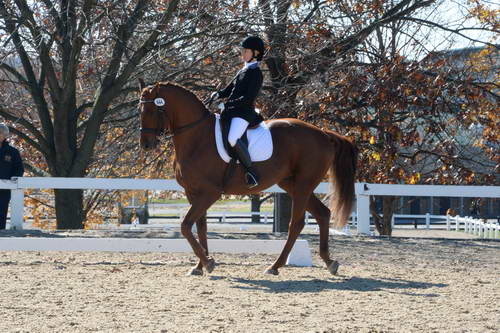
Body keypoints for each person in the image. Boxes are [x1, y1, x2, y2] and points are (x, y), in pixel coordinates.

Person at [210, 36, 265, 188]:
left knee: (233, 138)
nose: (242, 54)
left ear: (255, 53)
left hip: (244, 113)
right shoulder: (243, 69)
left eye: (246, 51)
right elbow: (230, 90)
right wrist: (219, 94)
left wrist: (227, 105)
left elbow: (247, 98)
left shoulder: (256, 73)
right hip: (232, 111)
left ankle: (251, 172)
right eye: (243, 50)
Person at [0, 123, 24, 230]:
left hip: (4, 191)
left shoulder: (12, 152)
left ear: (4, 135)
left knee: (1, 213)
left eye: (0, 133)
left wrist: (12, 182)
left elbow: (19, 169)